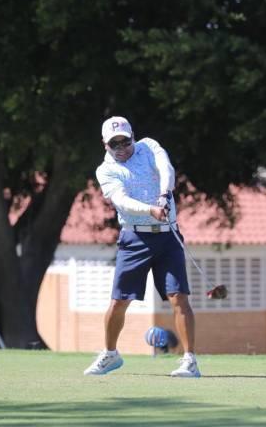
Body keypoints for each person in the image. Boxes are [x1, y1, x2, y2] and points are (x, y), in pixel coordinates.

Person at [83, 116, 200, 378]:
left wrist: (164, 194)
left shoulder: (149, 147)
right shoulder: (106, 171)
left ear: (133, 135)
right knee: (119, 301)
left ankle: (189, 360)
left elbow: (166, 168)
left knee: (178, 297)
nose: (122, 147)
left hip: (168, 236)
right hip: (134, 239)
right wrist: (150, 209)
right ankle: (111, 354)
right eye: (115, 144)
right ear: (105, 145)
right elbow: (122, 201)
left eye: (126, 140)